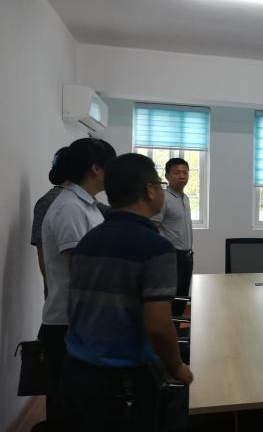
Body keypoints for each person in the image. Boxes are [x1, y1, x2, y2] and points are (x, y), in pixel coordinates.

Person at [59, 153, 193, 432]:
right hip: (124, 380)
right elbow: (158, 327)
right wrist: (178, 368)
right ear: (150, 190)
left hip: (76, 370)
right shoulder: (156, 247)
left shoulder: (88, 240)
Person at [39, 137, 116, 431]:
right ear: (96, 168)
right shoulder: (70, 208)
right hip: (69, 325)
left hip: (84, 320)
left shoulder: (88, 206)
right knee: (71, 413)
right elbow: (82, 273)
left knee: (86, 408)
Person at [152, 158, 193, 317]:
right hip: (171, 257)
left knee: (182, 297)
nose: (182, 176)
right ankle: (167, 329)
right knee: (169, 298)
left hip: (187, 256)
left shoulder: (185, 198)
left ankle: (175, 328)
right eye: (176, 172)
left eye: (185, 172)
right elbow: (153, 228)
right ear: (167, 176)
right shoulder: (163, 198)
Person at [31, 147, 68, 299]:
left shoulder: (87, 200)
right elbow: (42, 249)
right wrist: (51, 288)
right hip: (60, 293)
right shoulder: (48, 201)